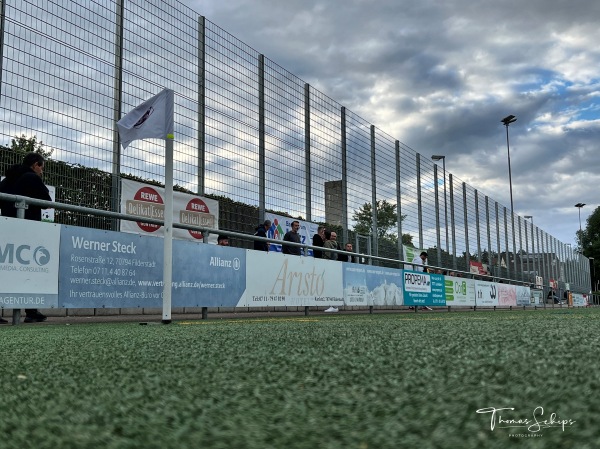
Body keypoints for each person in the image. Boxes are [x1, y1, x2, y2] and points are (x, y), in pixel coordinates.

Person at [0, 152, 52, 323]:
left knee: (4, 270)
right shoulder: (32, 177)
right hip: (28, 231)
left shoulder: (7, 179)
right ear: (36, 164)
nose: (41, 171)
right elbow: (46, 202)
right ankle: (30, 311)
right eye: (41, 167)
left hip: (8, 229)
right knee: (29, 270)